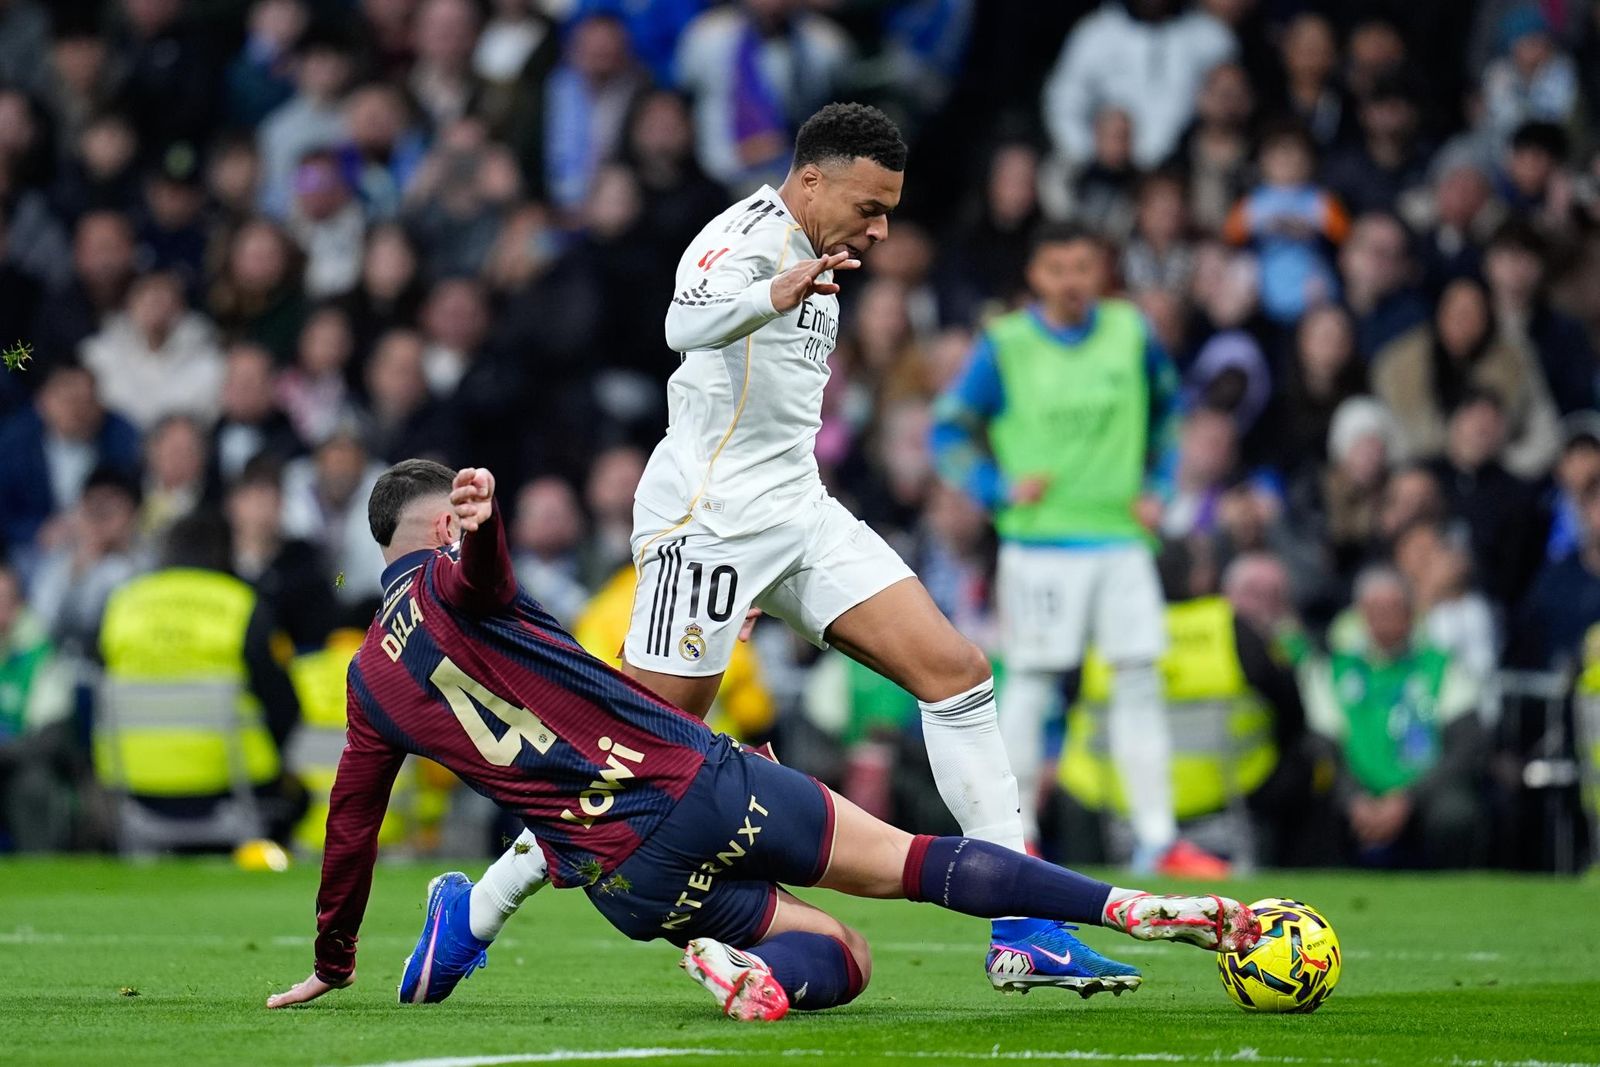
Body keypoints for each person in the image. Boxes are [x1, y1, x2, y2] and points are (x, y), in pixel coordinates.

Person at [434, 104, 1140, 997]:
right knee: (637, 759)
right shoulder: (739, 239)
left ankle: (1024, 926)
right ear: (812, 179)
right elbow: (679, 328)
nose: (881, 227)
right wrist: (775, 290)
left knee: (956, 670)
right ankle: (476, 911)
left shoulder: (826, 253)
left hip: (796, 511)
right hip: (712, 524)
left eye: (890, 210)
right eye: (870, 205)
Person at [264, 460, 1260, 1017]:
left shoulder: (368, 683)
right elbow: (475, 580)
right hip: (691, 780)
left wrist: (334, 956)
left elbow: (349, 828)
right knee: (915, 863)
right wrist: (480, 532)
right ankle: (1133, 906)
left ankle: (760, 974)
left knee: (842, 953)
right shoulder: (454, 573)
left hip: (624, 880)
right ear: (440, 526)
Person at [933, 220, 1226, 883]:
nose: (1071, 281)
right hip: (1040, 543)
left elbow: (1170, 412)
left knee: (1138, 682)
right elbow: (948, 428)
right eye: (1057, 268)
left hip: (1122, 537)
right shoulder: (1006, 344)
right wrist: (993, 486)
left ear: (1101, 272)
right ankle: (1017, 837)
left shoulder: (1131, 332)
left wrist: (1158, 484)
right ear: (1035, 276)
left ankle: (1158, 840)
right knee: (1032, 683)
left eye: (1083, 266)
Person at [1301, 566, 1487, 868]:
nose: (1385, 618)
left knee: (1456, 813)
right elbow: (1322, 749)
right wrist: (1354, 800)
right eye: (1376, 609)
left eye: (1394, 609)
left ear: (1412, 613)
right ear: (1360, 614)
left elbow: (1466, 746)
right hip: (1355, 791)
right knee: (1310, 803)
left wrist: (1407, 799)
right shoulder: (1333, 671)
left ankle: (1450, 899)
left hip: (1424, 791)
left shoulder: (1442, 667)